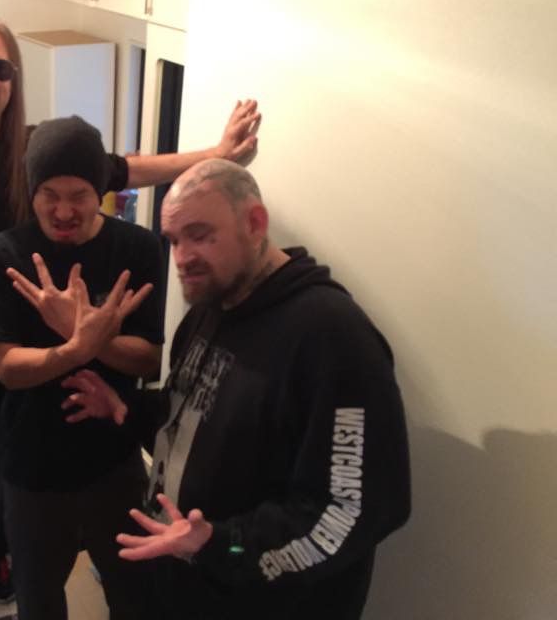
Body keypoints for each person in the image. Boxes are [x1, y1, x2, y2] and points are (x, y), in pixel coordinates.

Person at [0, 11, 263, 613]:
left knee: (10, 473)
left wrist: (215, 157)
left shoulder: (33, 150)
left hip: (3, 347)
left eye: (1, 68)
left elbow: (123, 168)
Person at [77, 158, 411, 619]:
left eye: (199, 234)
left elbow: (352, 510)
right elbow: (194, 416)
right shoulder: (209, 309)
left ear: (254, 223)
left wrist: (221, 544)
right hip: (186, 587)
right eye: (174, 240)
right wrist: (126, 408)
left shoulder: (333, 337)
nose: (182, 257)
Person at [0, 115, 165, 620]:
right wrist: (77, 348)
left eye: (79, 195)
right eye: (49, 194)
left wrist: (84, 334)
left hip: (116, 461)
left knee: (135, 596)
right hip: (31, 466)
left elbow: (149, 357)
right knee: (39, 604)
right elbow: (8, 368)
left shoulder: (139, 249)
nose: (63, 211)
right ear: (31, 190)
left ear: (100, 190)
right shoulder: (1, 256)